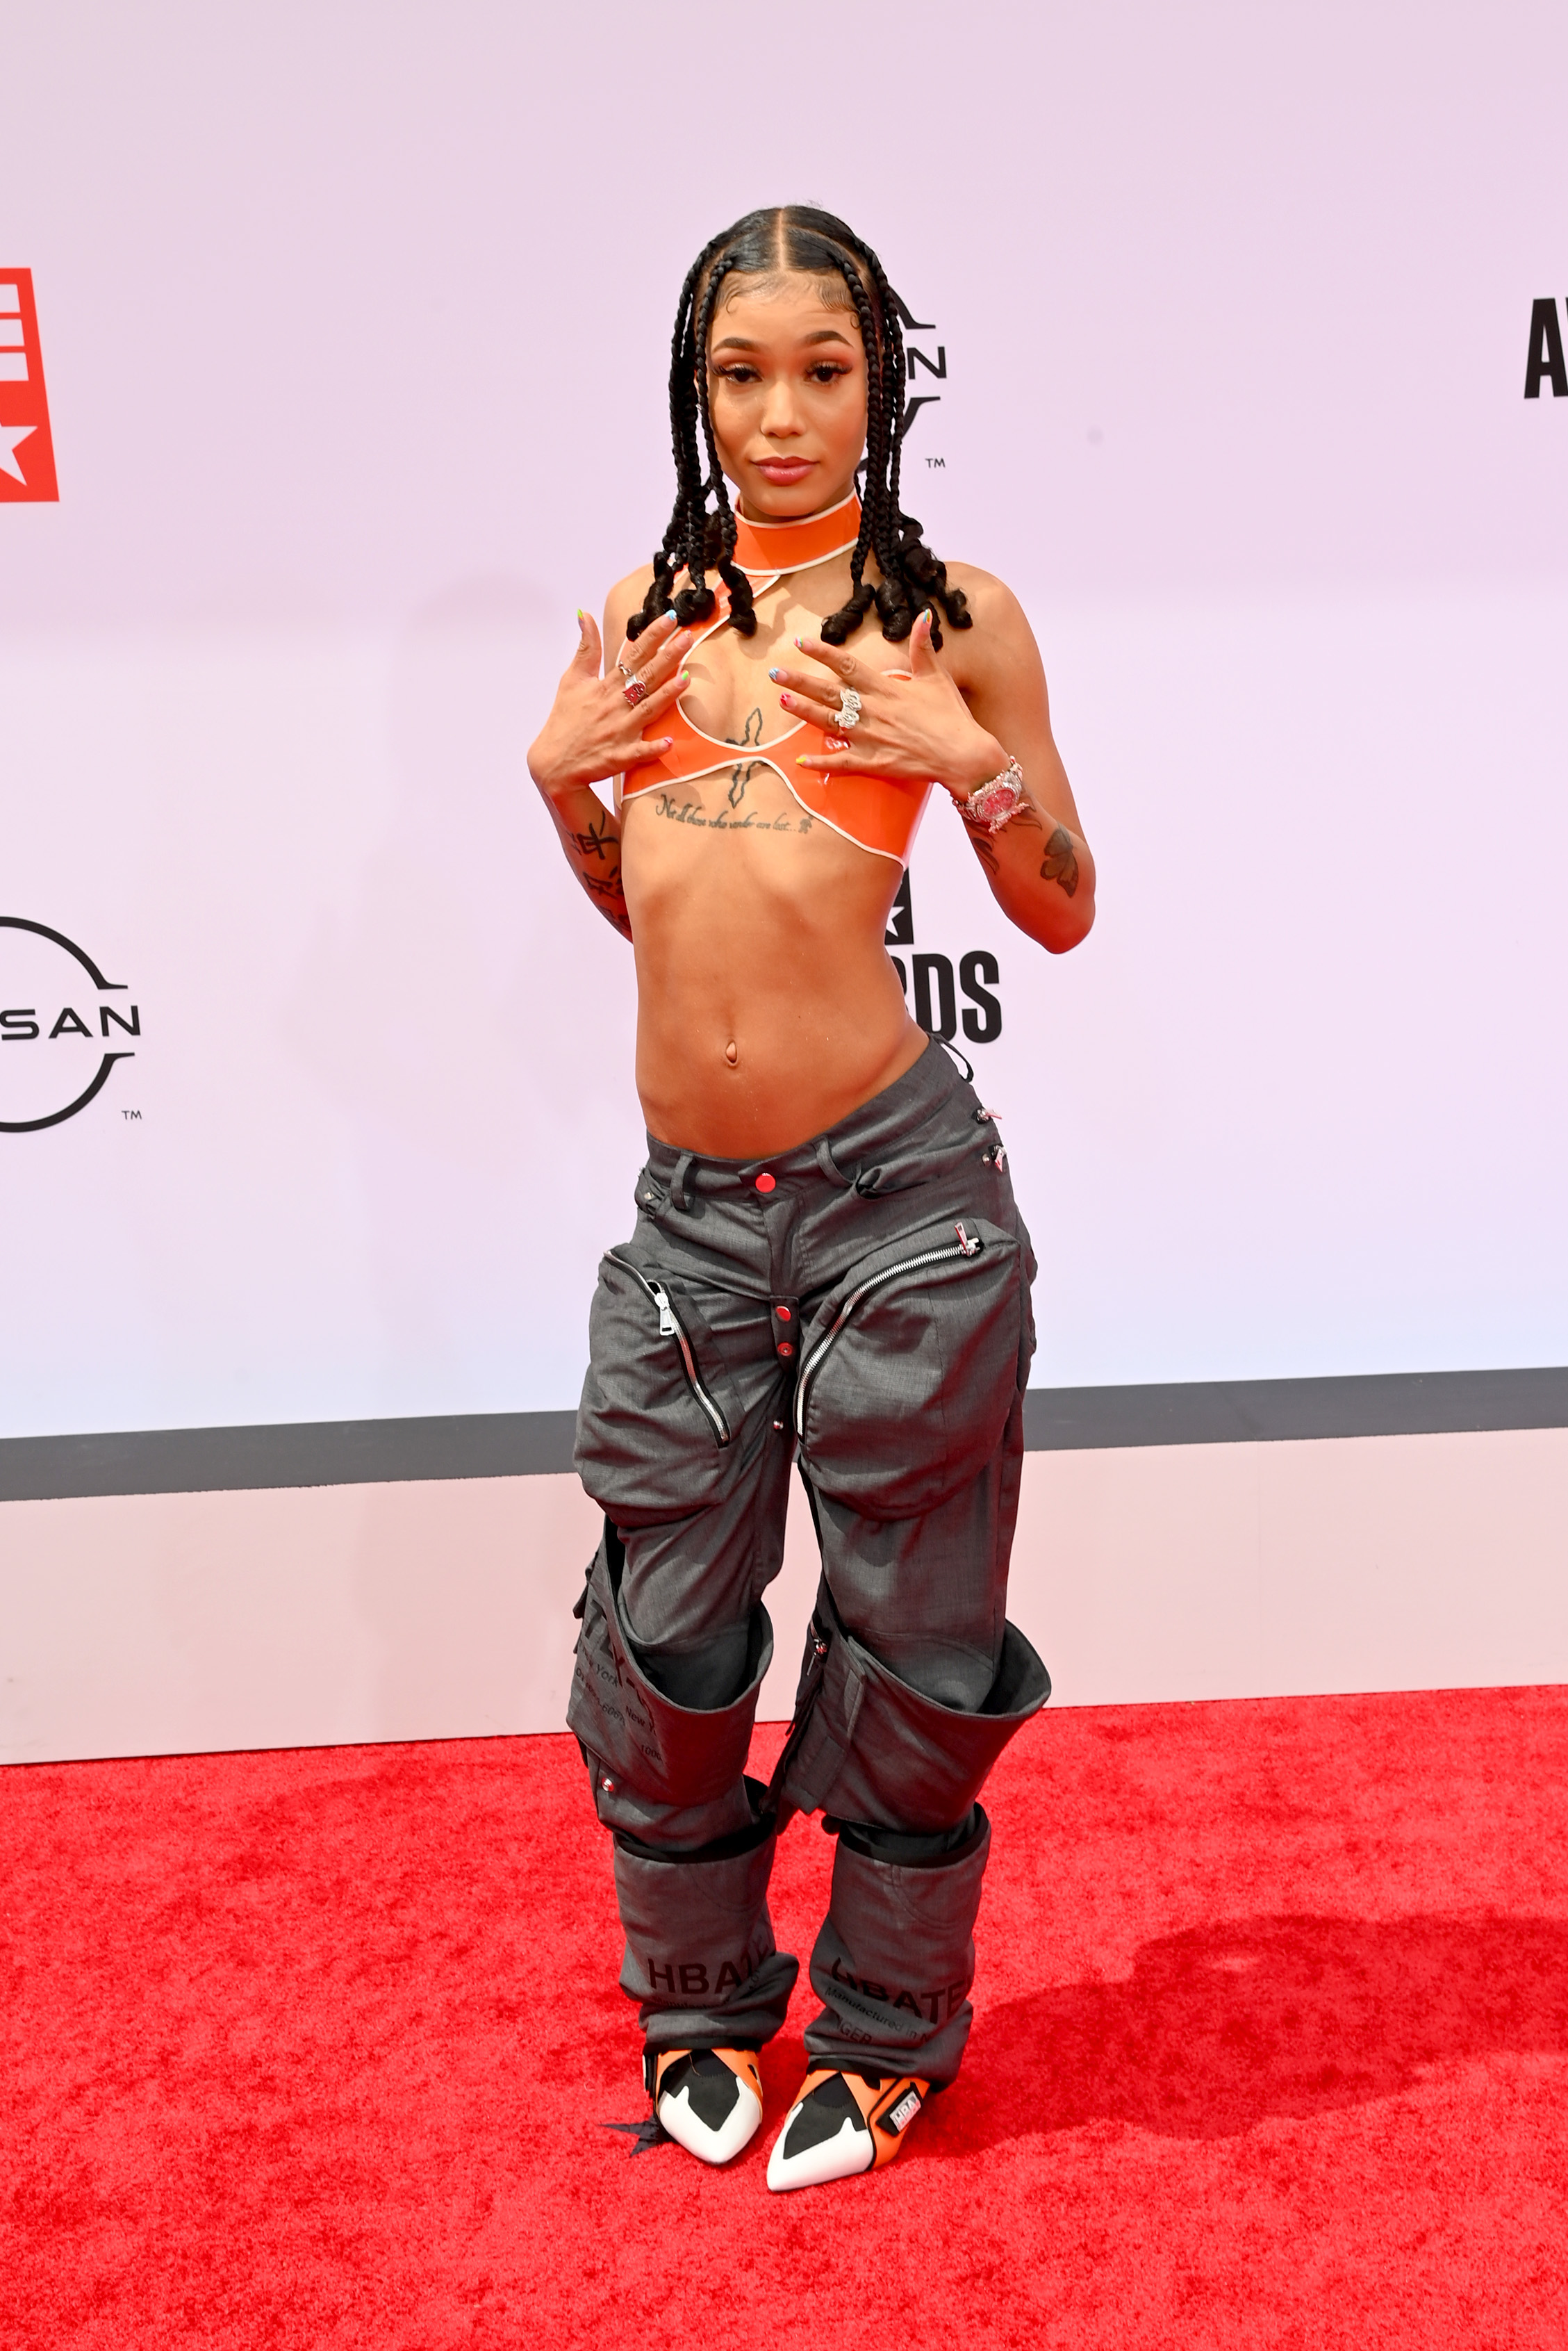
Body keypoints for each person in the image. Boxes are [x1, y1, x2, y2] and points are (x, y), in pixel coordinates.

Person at [527, 205, 1094, 2192]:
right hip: (692, 1213)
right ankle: (698, 1998)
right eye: (740, 374)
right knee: (665, 1637)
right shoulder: (644, 617)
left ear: (884, 385)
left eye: (825, 371)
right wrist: (563, 789)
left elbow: (1063, 907)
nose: (781, 416)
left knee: (915, 1637)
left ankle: (883, 2031)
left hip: (898, 1204)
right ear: (694, 390)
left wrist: (968, 758)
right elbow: (653, 917)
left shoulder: (953, 615)